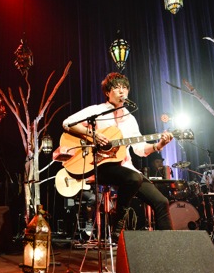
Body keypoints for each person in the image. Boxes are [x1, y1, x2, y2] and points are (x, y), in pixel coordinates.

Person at [62, 72, 174, 239]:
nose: (122, 91)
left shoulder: (130, 119)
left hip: (126, 169)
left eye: (125, 88)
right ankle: (120, 217)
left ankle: (170, 246)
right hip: (100, 165)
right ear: (108, 92)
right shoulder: (97, 111)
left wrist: (159, 145)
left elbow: (140, 149)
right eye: (117, 87)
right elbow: (67, 123)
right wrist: (92, 134)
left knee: (161, 202)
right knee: (133, 178)